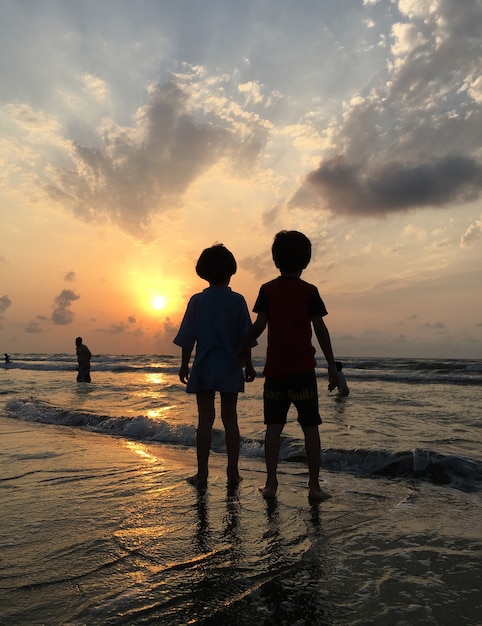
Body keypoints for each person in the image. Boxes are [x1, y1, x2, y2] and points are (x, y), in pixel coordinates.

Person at [238, 231, 339, 502]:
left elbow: (259, 325)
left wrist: (242, 348)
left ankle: (271, 484)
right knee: (310, 428)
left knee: (273, 428)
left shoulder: (267, 290)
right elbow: (320, 328)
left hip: (276, 374)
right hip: (303, 372)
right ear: (306, 261)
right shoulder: (310, 291)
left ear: (275, 259)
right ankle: (314, 487)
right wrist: (331, 365)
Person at [173, 244, 256, 490]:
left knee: (205, 420)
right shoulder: (237, 301)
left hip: (204, 365)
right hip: (230, 366)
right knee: (230, 419)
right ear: (231, 271)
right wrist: (249, 364)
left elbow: (188, 337)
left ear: (203, 272)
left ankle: (202, 474)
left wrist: (184, 365)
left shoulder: (197, 301)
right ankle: (233, 472)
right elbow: (246, 338)